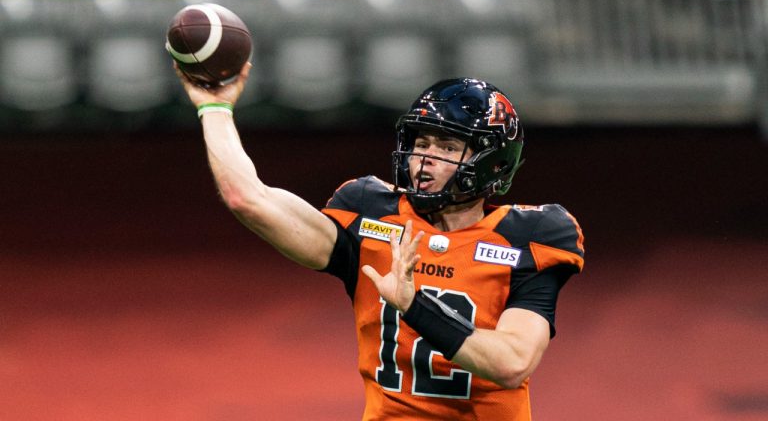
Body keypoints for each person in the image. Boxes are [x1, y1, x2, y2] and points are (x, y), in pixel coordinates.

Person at [175, 62, 585, 420]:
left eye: (446, 146)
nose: (426, 158)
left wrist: (413, 305)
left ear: (491, 162)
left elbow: (512, 363)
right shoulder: (371, 213)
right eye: (421, 143)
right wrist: (214, 107)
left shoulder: (530, 238)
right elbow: (249, 198)